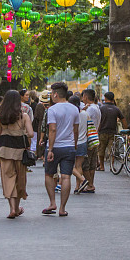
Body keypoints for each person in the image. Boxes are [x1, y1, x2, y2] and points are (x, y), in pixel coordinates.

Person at [0, 90, 34, 219]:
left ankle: (12, 208)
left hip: (4, 151)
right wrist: (22, 133)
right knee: (20, 179)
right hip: (20, 151)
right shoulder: (23, 116)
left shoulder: (0, 117)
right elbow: (31, 134)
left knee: (8, 179)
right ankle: (17, 207)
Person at [43, 82, 78, 217]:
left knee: (49, 174)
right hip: (69, 146)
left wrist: (50, 149)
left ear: (56, 94)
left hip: (55, 146)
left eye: (52, 94)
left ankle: (52, 202)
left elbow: (52, 129)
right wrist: (74, 144)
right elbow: (75, 130)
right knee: (66, 176)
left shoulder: (52, 110)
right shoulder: (74, 109)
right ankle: (62, 208)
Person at [97, 92, 125, 171]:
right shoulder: (116, 109)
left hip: (102, 132)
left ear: (105, 98)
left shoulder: (101, 108)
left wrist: (97, 129)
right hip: (113, 132)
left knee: (101, 149)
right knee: (112, 150)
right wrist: (126, 128)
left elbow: (99, 120)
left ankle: (102, 166)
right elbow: (123, 119)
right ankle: (111, 166)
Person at [81, 89, 100, 193]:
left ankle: (90, 184)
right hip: (94, 138)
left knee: (85, 165)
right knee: (92, 165)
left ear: (86, 97)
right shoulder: (96, 107)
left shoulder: (90, 109)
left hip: (88, 139)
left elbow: (84, 121)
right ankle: (90, 184)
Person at [68, 96, 89, 193]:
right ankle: (77, 187)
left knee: (68, 165)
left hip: (72, 141)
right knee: (79, 165)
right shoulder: (85, 114)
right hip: (83, 141)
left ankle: (82, 179)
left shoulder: (70, 115)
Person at [33, 92, 48, 158]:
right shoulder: (51, 105)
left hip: (40, 124)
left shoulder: (39, 105)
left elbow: (36, 116)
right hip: (49, 124)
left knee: (41, 139)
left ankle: (41, 154)